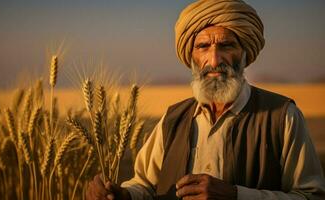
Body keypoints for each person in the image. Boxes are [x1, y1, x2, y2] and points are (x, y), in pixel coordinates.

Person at [86, 0, 325, 199]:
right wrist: (122, 195)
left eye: (226, 45)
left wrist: (236, 196)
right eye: (202, 47)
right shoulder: (173, 119)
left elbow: (311, 195)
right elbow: (146, 185)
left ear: (245, 53)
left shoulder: (282, 116)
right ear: (191, 56)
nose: (214, 60)